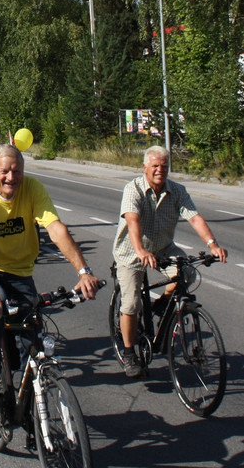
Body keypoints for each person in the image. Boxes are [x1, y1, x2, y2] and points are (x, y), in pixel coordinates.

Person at [0, 144, 100, 409]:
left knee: (30, 329)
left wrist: (84, 272)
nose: (11, 177)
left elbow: (55, 229)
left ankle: (28, 399)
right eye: (5, 171)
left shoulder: (32, 189)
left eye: (17, 171)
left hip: (17, 268)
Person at [113, 144, 228, 379]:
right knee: (131, 304)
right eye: (155, 166)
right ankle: (129, 353)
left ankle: (162, 303)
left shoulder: (177, 191)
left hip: (163, 248)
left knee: (187, 273)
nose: (160, 170)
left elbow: (194, 218)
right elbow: (133, 220)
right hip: (131, 252)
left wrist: (212, 245)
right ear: (145, 167)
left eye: (164, 166)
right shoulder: (133, 188)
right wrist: (140, 250)